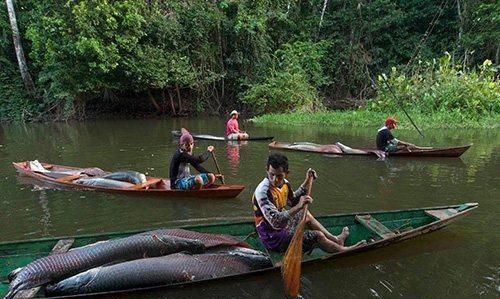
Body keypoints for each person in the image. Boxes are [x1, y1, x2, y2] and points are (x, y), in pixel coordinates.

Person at [252, 153, 366, 253]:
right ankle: (342, 250)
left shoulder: (285, 184)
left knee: (305, 214)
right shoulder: (263, 192)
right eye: (271, 174)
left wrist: (307, 181)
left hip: (281, 228)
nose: (275, 180)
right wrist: (298, 206)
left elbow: (292, 200)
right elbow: (276, 222)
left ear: (287, 173)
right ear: (267, 170)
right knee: (317, 236)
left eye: (279, 176)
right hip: (273, 238)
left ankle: (336, 240)